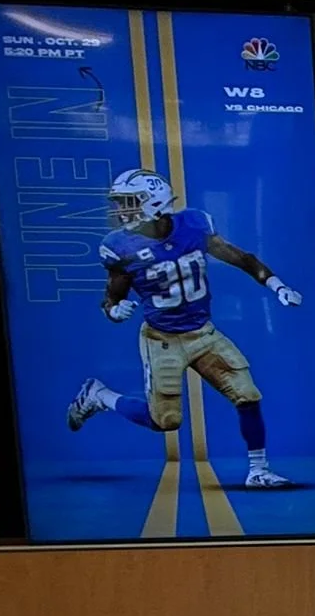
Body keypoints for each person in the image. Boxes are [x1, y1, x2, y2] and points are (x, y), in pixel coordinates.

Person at [65, 167, 302, 489]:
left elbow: (241, 258)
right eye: (120, 203)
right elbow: (112, 296)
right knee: (165, 421)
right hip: (161, 338)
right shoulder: (119, 246)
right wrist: (115, 310)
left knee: (248, 396)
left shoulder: (193, 226)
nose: (122, 210)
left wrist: (277, 286)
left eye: (130, 201)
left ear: (155, 203)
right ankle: (100, 396)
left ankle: (258, 470)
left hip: (203, 333)